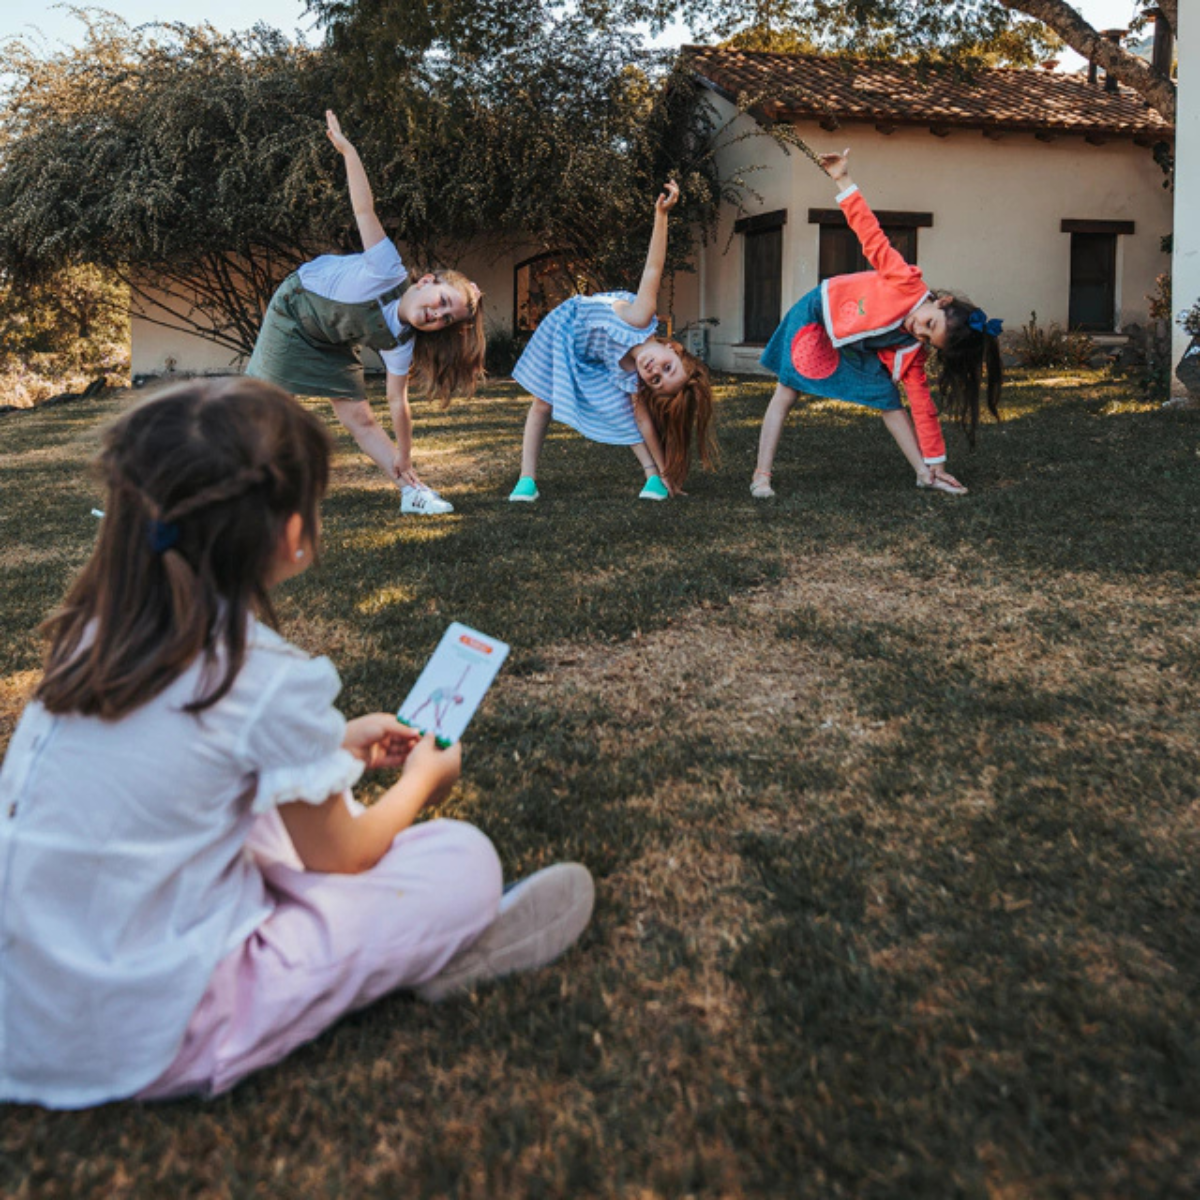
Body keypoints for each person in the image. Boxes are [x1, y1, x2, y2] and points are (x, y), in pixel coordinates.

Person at [0, 378, 593, 1108]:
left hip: (25, 1010)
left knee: (269, 828)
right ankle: (439, 946)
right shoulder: (258, 676)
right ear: (290, 531)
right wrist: (422, 781)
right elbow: (343, 854)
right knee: (461, 859)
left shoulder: (91, 638)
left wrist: (336, 747)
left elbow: (192, 767)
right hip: (153, 1031)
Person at [246, 111, 486, 516]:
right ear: (427, 281)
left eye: (447, 319)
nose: (438, 315)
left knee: (360, 417)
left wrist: (405, 453)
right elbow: (363, 210)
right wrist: (348, 152)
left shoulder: (400, 342)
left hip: (331, 338)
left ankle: (412, 492)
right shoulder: (387, 268)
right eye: (443, 302)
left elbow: (396, 402)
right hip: (294, 313)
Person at [750, 148, 1003, 499]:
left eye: (928, 339)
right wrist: (842, 179)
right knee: (787, 389)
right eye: (929, 324)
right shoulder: (905, 281)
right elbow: (871, 235)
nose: (919, 332)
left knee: (888, 397)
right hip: (818, 313)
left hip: (853, 345)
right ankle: (761, 476)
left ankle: (923, 474)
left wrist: (937, 464)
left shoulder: (912, 350)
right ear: (941, 302)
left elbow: (923, 407)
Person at [508, 180, 716, 503]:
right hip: (563, 329)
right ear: (672, 348)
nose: (654, 371)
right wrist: (661, 216)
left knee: (624, 411)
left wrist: (667, 472)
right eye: (667, 367)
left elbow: (644, 423)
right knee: (543, 402)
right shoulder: (640, 317)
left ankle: (654, 478)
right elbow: (653, 268)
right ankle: (526, 479)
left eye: (656, 380)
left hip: (590, 358)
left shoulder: (632, 378)